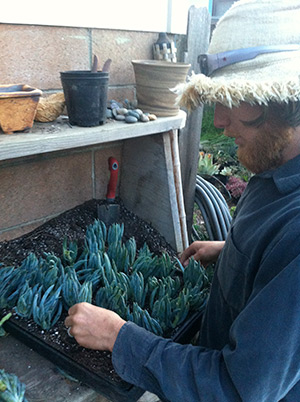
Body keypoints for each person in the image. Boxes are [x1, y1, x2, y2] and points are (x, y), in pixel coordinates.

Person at [65, 1, 300, 400]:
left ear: (284, 101)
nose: (219, 120)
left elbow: (236, 390)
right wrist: (235, 254)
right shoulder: (274, 167)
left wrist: (119, 337)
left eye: (233, 98)